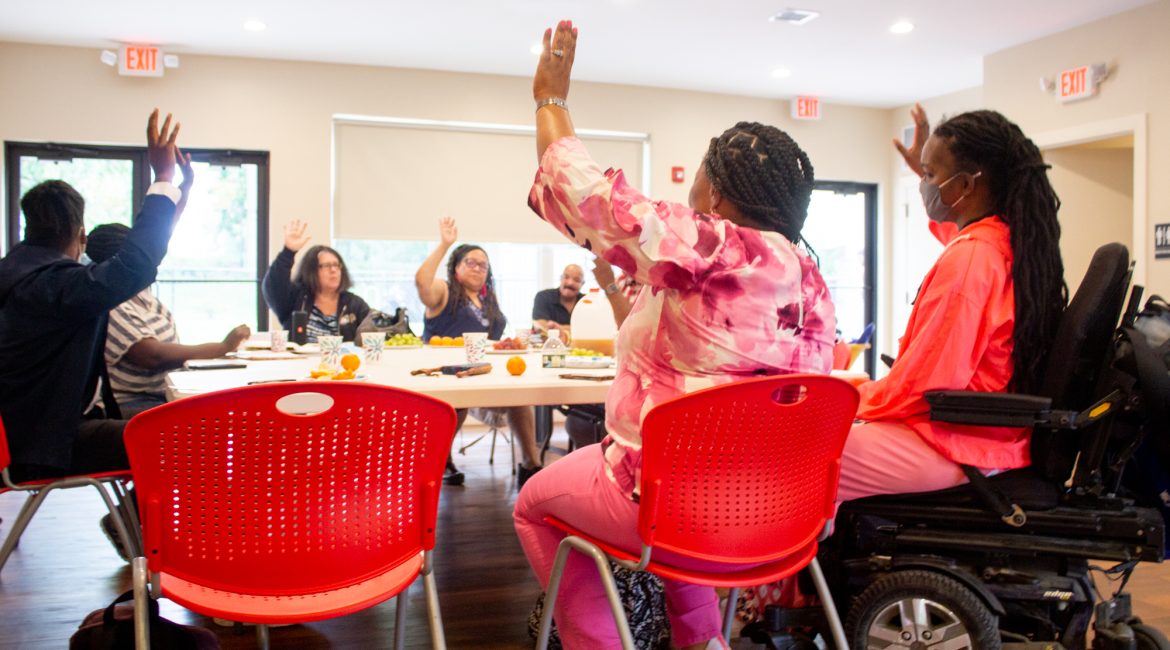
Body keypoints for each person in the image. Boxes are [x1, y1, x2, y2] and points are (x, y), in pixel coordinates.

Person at [513, 21, 837, 650]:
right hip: (775, 510)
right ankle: (702, 642)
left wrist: (549, 100)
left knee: (533, 504)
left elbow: (584, 192)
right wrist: (614, 283)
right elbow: (699, 332)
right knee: (685, 494)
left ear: (713, 190)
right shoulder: (811, 282)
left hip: (672, 503)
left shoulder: (709, 244)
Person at [739, 104, 1070, 623]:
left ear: (966, 184)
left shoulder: (971, 259)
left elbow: (929, 385)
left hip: (952, 437)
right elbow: (958, 238)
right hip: (985, 438)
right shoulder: (1000, 239)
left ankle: (784, 597)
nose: (925, 185)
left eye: (934, 175)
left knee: (792, 453)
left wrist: (846, 397)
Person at [0, 109, 186, 556]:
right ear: (80, 236)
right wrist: (162, 175)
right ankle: (178, 559)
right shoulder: (55, 286)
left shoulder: (19, 271)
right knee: (179, 440)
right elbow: (134, 265)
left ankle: (145, 540)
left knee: (160, 430)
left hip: (32, 427)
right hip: (44, 441)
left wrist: (178, 192)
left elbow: (139, 257)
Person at [415, 216, 544, 486]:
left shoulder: (489, 300)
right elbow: (422, 282)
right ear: (456, 268)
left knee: (519, 398)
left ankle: (531, 465)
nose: (477, 268)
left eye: (483, 264)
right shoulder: (445, 292)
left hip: (485, 375)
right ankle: (441, 461)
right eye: (470, 263)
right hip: (446, 379)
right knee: (457, 401)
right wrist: (444, 245)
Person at [87, 223, 251, 418]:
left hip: (160, 393)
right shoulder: (112, 302)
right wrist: (222, 346)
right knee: (218, 416)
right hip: (133, 404)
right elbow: (153, 356)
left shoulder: (141, 294)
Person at [261, 219, 370, 343]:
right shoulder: (296, 298)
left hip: (343, 361)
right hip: (299, 361)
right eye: (327, 265)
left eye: (337, 265)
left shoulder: (354, 304)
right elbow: (273, 287)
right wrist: (288, 252)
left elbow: (372, 333)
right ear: (311, 271)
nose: (334, 270)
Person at [532, 264, 585, 332]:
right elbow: (540, 326)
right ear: (560, 278)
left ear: (582, 283)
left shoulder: (586, 302)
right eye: (566, 277)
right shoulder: (543, 296)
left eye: (576, 280)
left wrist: (556, 328)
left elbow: (591, 329)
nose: (570, 283)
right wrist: (575, 329)